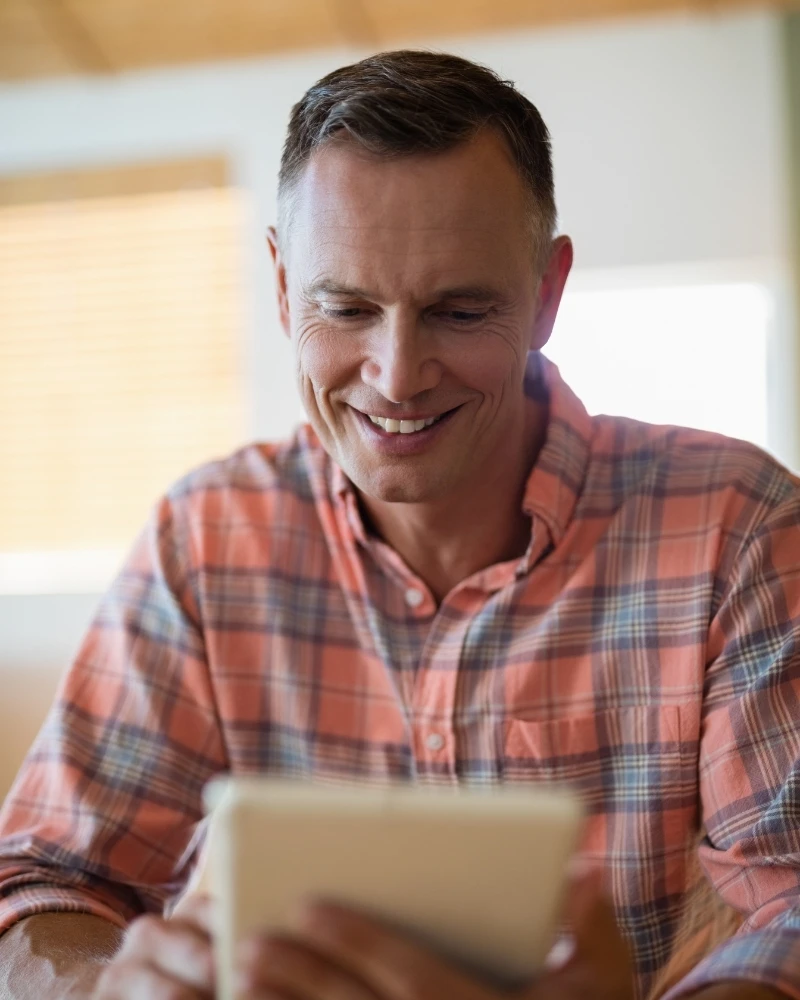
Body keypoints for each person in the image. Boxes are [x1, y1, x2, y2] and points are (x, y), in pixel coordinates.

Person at [0, 49, 798, 1000]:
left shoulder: (736, 526)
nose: (397, 374)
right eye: (345, 308)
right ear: (285, 286)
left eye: (460, 311)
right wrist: (105, 990)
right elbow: (38, 884)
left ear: (548, 294)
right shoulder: (207, 538)